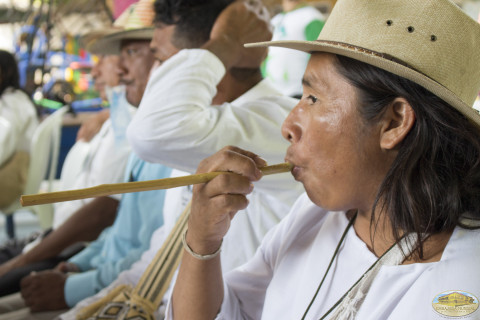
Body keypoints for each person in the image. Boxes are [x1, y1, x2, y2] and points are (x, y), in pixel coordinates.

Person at [168, 0, 480, 319]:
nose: (288, 126)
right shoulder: (313, 216)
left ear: (394, 122)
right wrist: (202, 239)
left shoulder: (460, 288)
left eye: (313, 98)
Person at [57, 0, 304, 318]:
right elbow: (161, 258)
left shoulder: (277, 124)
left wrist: (226, 41)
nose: (157, 74)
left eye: (161, 59)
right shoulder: (203, 135)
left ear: (208, 59)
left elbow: (151, 132)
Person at [0, 2, 172, 318]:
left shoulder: (164, 142)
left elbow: (112, 217)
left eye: (130, 54)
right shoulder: (134, 127)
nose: (116, 69)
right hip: (83, 260)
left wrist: (72, 280)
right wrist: (81, 264)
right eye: (116, 57)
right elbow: (119, 233)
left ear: (170, 60)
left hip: (97, 273)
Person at [0, 53, 131, 297]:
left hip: (67, 250)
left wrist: (22, 260)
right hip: (53, 240)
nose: (94, 72)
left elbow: (100, 214)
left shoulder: (132, 134)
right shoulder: (118, 122)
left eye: (109, 56)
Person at [0, 50, 38, 209]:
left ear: (5, 72)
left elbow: (2, 147)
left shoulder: (9, 105)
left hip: (8, 185)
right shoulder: (18, 99)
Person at [262, 0, 325, 98]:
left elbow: (319, 55)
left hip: (299, 93)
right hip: (273, 93)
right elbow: (267, 54)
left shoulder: (311, 17)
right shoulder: (275, 20)